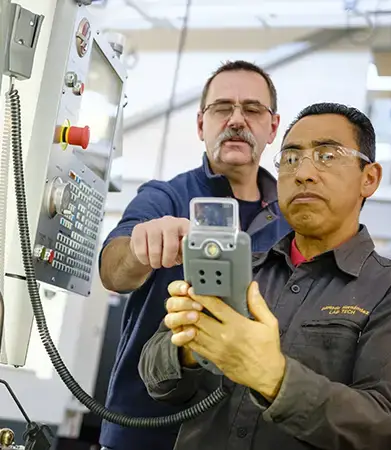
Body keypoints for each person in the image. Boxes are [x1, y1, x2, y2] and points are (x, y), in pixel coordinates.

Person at [138, 102, 391, 450]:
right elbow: (155, 380)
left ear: (369, 178)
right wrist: (189, 348)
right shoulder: (238, 268)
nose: (303, 173)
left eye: (327, 156)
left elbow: (386, 430)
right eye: (291, 158)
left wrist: (274, 377)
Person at [98, 60, 291, 450]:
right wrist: (139, 247)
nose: (237, 119)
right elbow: (113, 272)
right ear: (202, 124)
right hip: (147, 432)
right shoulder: (165, 197)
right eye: (223, 108)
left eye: (252, 109)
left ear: (273, 127)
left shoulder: (292, 220)